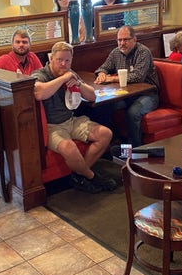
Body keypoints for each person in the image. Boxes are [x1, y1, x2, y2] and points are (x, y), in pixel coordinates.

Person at [32, 41, 116, 194]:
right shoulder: (41, 74)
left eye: (67, 60)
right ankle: (92, 177)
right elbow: (39, 93)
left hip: (71, 121)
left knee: (105, 133)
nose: (63, 64)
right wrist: (63, 79)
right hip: (52, 127)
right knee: (69, 147)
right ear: (51, 59)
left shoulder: (71, 73)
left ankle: (79, 176)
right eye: (59, 60)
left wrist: (78, 83)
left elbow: (92, 97)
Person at [94, 25, 160, 147]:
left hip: (148, 95)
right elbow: (103, 67)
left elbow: (137, 76)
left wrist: (111, 79)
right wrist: (102, 74)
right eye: (119, 40)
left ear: (134, 39)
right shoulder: (115, 52)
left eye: (126, 40)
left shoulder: (143, 52)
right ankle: (114, 142)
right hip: (125, 95)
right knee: (103, 107)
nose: (122, 43)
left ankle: (134, 151)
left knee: (133, 113)